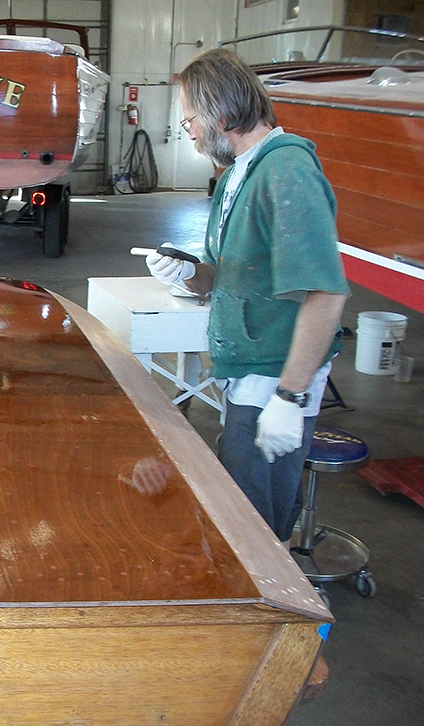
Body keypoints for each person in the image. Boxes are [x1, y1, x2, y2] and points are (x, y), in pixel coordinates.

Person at [145, 48, 349, 542]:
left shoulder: (286, 172)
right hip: (246, 368)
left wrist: (289, 397)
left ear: (222, 111)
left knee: (254, 529)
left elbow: (326, 294)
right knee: (243, 498)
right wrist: (186, 274)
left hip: (274, 377)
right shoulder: (239, 172)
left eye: (190, 116)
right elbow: (226, 275)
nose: (188, 129)